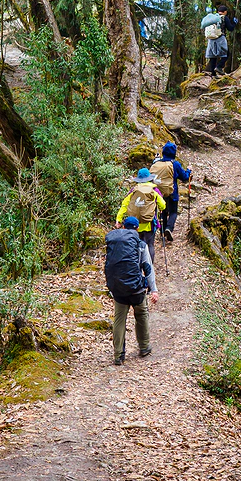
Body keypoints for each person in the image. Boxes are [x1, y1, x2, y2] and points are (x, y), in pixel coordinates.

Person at [105, 216, 159, 366]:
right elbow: (147, 268)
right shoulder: (140, 245)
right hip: (136, 289)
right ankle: (144, 347)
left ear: (123, 227)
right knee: (141, 314)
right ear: (137, 229)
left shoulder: (114, 244)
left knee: (119, 319)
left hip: (118, 289)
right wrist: (153, 289)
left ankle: (118, 355)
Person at [115, 168, 165, 262]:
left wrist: (119, 219)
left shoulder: (133, 190)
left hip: (135, 224)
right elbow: (163, 205)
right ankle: (149, 266)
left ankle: (137, 265)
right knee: (150, 245)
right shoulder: (154, 190)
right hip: (149, 223)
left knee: (137, 245)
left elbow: (124, 205)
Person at [150, 142, 191, 242]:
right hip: (172, 192)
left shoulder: (156, 163)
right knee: (173, 212)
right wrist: (189, 171)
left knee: (163, 211)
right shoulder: (175, 164)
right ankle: (169, 228)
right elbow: (184, 177)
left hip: (159, 192)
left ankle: (162, 231)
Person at [205, 4, 237, 78]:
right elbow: (230, 28)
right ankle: (219, 67)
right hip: (220, 38)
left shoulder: (213, 18)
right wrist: (234, 23)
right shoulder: (224, 18)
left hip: (211, 39)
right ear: (225, 12)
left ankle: (213, 74)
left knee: (212, 56)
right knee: (226, 54)